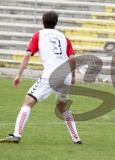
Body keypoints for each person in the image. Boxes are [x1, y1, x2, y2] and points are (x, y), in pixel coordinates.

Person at [0, 11, 82, 144]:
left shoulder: (39, 35)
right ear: (56, 23)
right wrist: (72, 78)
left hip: (50, 75)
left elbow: (27, 55)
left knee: (28, 102)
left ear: (43, 22)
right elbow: (72, 59)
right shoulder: (63, 37)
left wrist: (18, 75)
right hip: (65, 76)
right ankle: (76, 138)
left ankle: (16, 135)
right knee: (62, 108)